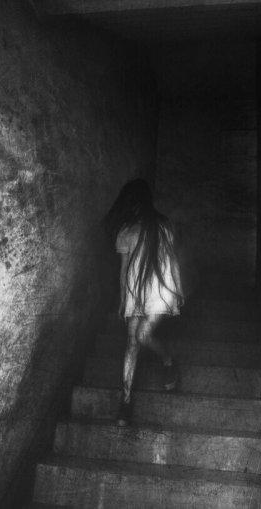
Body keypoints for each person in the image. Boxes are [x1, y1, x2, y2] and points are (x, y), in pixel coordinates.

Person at [105, 178, 184, 426]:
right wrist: (123, 299)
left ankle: (168, 359)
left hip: (159, 289)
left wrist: (178, 290)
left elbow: (172, 259)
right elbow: (124, 269)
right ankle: (126, 401)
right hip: (136, 291)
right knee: (131, 342)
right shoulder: (126, 231)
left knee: (141, 336)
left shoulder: (162, 226)